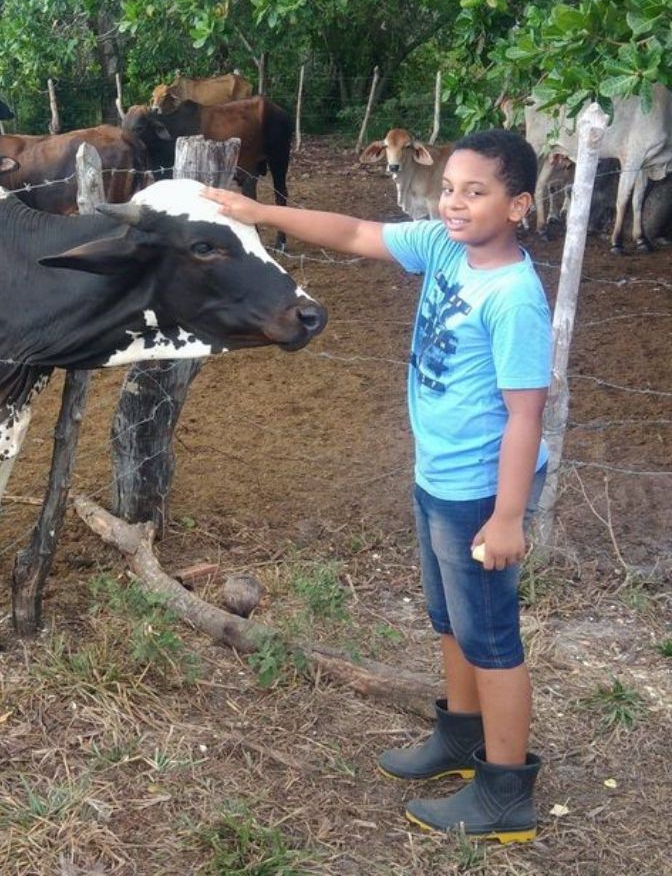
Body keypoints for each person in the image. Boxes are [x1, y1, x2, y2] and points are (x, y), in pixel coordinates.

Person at [202, 129, 551, 843]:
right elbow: (357, 231)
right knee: (450, 620)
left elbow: (526, 415)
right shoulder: (446, 248)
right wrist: (261, 213)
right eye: (450, 187)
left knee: (491, 638)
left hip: (481, 491)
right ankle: (460, 737)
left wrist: (509, 515)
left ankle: (506, 792)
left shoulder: (514, 297)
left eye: (475, 193)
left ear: (518, 205)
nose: (454, 203)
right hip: (438, 476)